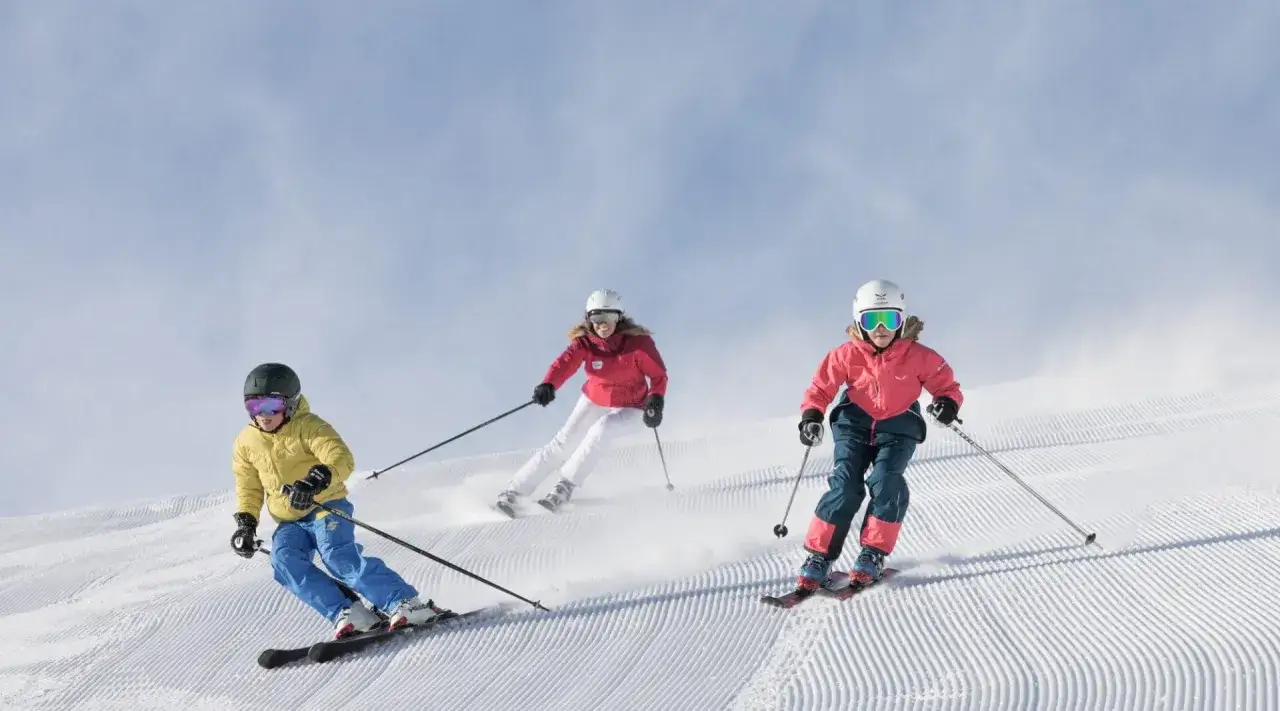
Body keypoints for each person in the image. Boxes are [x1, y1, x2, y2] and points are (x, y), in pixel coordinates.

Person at [229, 362, 444, 639]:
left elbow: (340, 458)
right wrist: (246, 523)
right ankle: (350, 612)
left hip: (325, 505)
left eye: (272, 405)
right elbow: (248, 486)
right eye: (254, 407)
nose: (264, 415)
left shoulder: (310, 426)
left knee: (337, 555)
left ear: (291, 403)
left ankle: (404, 602)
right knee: (284, 562)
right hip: (290, 520)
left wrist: (318, 478)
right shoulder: (246, 441)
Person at [793, 279, 963, 590]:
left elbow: (947, 387)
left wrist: (947, 404)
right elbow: (820, 388)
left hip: (899, 426)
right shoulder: (845, 354)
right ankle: (819, 556)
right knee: (845, 484)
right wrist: (811, 417)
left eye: (890, 319)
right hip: (854, 424)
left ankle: (872, 552)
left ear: (901, 321)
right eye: (872, 319)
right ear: (859, 320)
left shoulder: (918, 356)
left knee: (887, 480)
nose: (881, 328)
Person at [495, 289, 668, 514]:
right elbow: (565, 364)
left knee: (603, 430)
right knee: (563, 443)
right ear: (589, 319)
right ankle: (515, 492)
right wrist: (549, 384)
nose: (603, 325)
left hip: (633, 404)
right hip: (596, 398)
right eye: (596, 318)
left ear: (620, 318)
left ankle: (564, 486)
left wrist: (655, 400)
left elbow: (658, 375)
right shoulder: (586, 344)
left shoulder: (638, 344)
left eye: (610, 318)